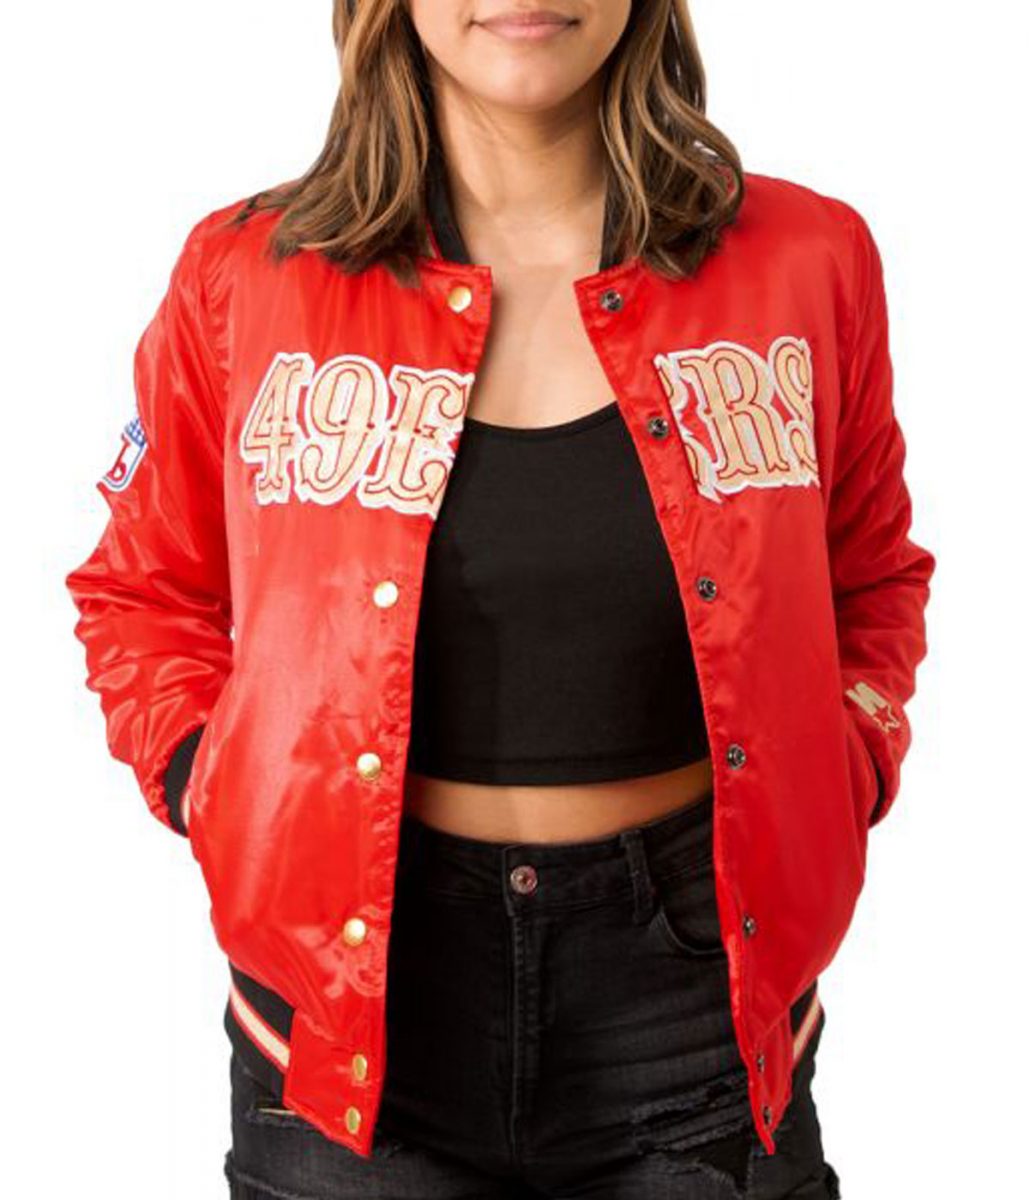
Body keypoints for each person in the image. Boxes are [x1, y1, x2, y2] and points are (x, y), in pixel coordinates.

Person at [65, 2, 936, 1197]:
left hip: (699, 1008)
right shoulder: (245, 272)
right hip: (344, 1009)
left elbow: (873, 571)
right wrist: (209, 786)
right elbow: (142, 590)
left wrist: (850, 764)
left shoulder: (808, 258)